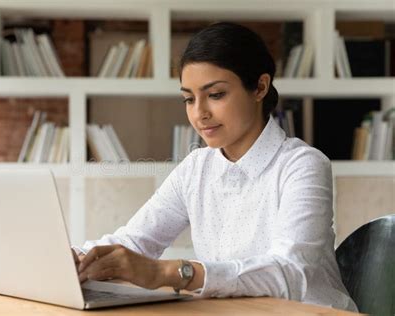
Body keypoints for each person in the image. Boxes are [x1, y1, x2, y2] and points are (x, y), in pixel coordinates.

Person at [73, 22, 358, 312]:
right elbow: (134, 241)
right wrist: (78, 258)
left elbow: (291, 272)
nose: (199, 114)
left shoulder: (302, 165)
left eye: (216, 94)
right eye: (188, 99)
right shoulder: (196, 168)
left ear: (260, 87)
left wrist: (168, 273)